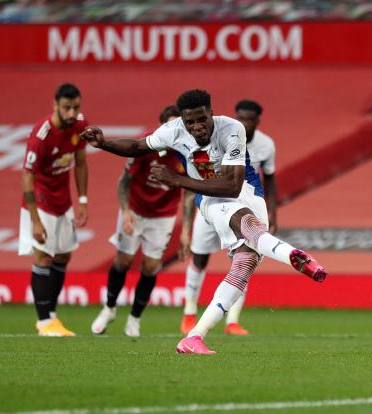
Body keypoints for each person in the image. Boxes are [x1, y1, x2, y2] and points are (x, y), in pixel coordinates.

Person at [80, 89, 326, 354]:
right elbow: (139, 147)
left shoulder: (232, 129)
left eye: (201, 119)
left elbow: (232, 187)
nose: (196, 127)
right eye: (190, 122)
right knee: (243, 224)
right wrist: (104, 143)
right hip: (209, 198)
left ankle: (195, 336)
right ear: (183, 121)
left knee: (243, 267)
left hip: (247, 191)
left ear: (211, 112)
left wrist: (177, 180)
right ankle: (294, 255)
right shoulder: (173, 130)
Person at [180, 99, 277, 336]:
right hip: (211, 204)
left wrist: (272, 213)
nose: (244, 122)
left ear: (257, 120)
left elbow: (271, 180)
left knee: (245, 257)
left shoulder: (266, 145)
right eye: (240, 117)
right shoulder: (222, 135)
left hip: (244, 206)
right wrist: (185, 225)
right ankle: (189, 313)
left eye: (249, 119)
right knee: (200, 258)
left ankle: (232, 321)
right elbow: (194, 176)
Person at [90, 105, 185, 337]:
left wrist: (187, 230)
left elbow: (190, 192)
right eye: (169, 126)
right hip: (136, 209)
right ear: (161, 126)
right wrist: (125, 211)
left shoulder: (186, 150)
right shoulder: (147, 144)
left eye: (177, 126)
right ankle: (109, 308)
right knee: (123, 261)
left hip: (164, 215)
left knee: (151, 267)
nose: (173, 131)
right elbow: (124, 181)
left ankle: (134, 318)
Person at [19, 83, 89, 337]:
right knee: (43, 258)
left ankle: (52, 317)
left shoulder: (79, 126)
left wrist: (82, 199)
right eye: (66, 107)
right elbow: (27, 177)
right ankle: (44, 321)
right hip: (41, 202)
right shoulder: (41, 136)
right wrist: (35, 220)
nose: (72, 113)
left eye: (76, 107)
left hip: (64, 202)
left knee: (63, 257)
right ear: (55, 105)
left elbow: (80, 163)